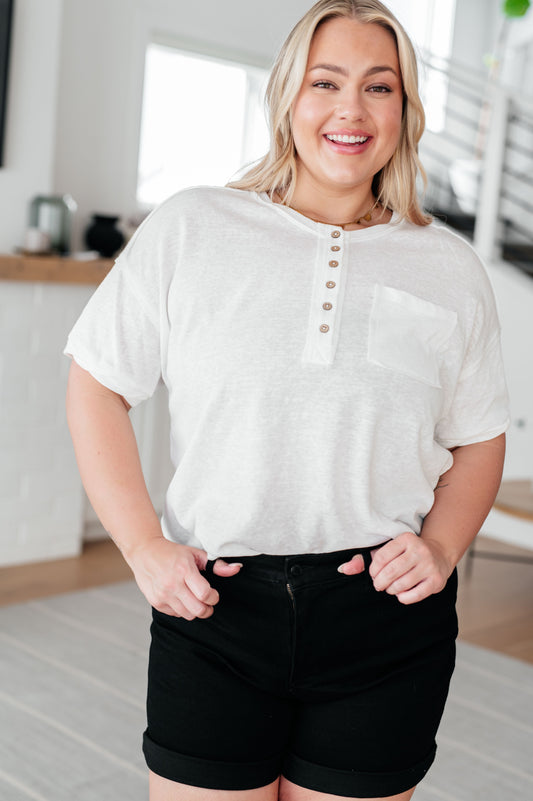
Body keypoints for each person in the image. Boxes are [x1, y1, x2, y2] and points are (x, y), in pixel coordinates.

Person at [64, 1, 509, 799]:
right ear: (286, 99)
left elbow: (477, 436)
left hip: (383, 619)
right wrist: (141, 548)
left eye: (379, 87)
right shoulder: (193, 226)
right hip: (215, 612)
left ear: (405, 110)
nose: (350, 109)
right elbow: (96, 380)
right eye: (325, 81)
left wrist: (441, 546)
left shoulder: (448, 265)